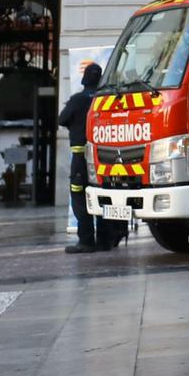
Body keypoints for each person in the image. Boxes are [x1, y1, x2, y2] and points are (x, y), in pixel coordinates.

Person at [59, 62, 103, 253]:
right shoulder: (104, 98)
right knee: (103, 196)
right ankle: (107, 239)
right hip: (103, 157)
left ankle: (86, 241)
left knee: (79, 196)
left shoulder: (77, 99)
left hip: (80, 158)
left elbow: (62, 119)